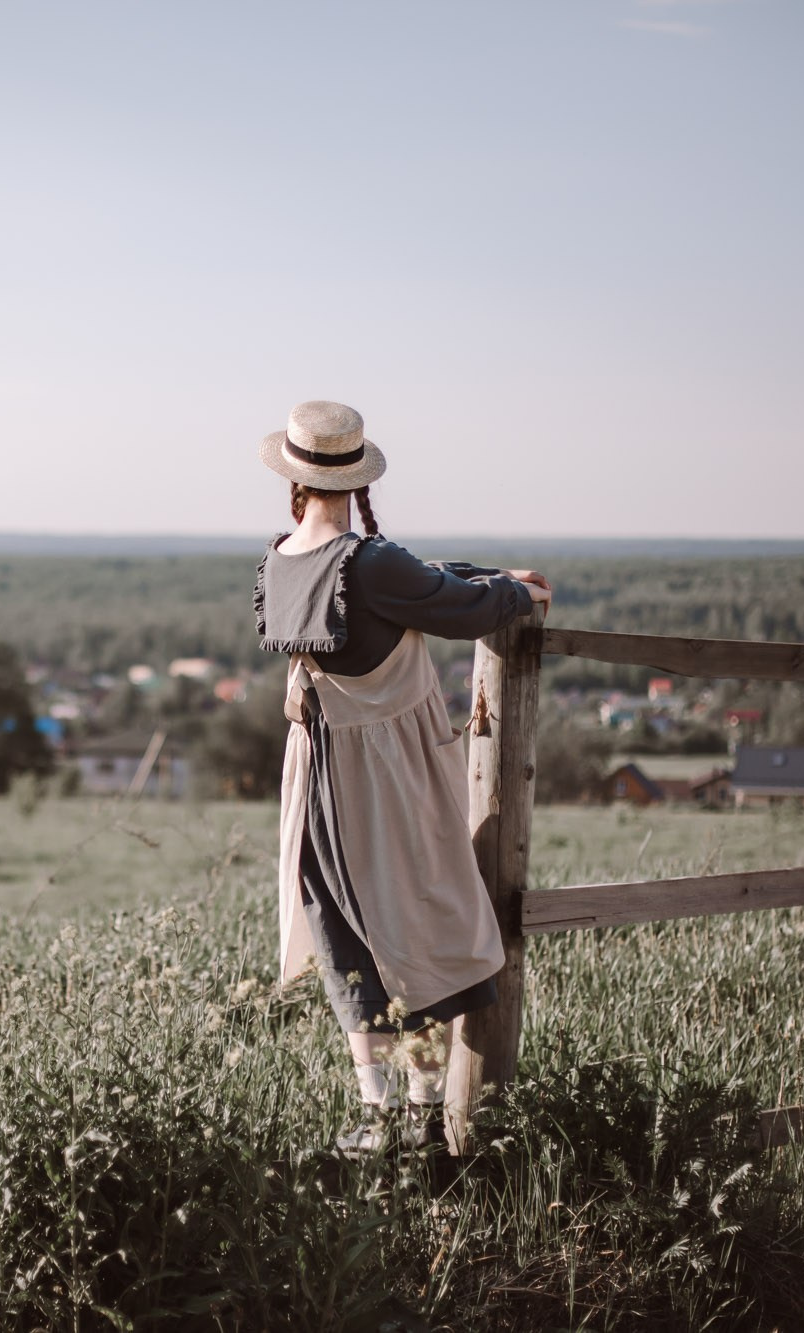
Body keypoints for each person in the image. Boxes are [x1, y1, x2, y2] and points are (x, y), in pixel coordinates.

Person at [252, 400, 552, 1153]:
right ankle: (423, 1115)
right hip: (383, 779)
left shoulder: (280, 560)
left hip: (315, 778)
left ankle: (376, 1113)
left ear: (294, 479)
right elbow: (452, 605)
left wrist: (482, 577)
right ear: (356, 479)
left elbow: (417, 582)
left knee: (345, 934)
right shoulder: (370, 563)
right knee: (417, 925)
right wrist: (518, 592)